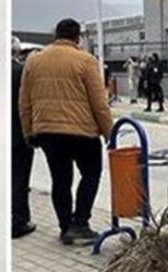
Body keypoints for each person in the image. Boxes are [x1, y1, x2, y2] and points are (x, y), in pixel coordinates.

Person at [18, 19, 114, 245]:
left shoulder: (34, 61)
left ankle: (65, 227)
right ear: (77, 38)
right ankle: (80, 223)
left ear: (55, 35)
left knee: (60, 181)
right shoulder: (86, 61)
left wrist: (28, 132)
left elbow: (24, 102)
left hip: (48, 133)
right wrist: (109, 134)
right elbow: (99, 103)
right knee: (91, 173)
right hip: (83, 132)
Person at [11, 38, 36, 239]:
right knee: (19, 180)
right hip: (19, 136)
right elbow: (29, 105)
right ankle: (19, 221)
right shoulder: (21, 73)